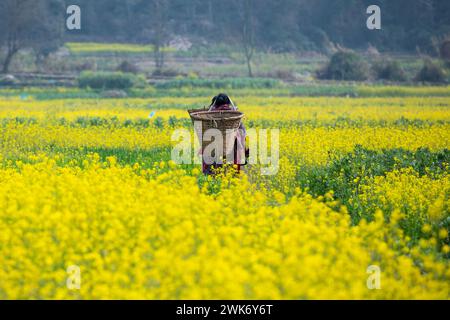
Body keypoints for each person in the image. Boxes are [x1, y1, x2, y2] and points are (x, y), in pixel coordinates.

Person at [202, 93, 249, 175]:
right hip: (232, 148)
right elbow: (243, 133)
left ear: (215, 104)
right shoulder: (234, 114)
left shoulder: (210, 115)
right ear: (228, 103)